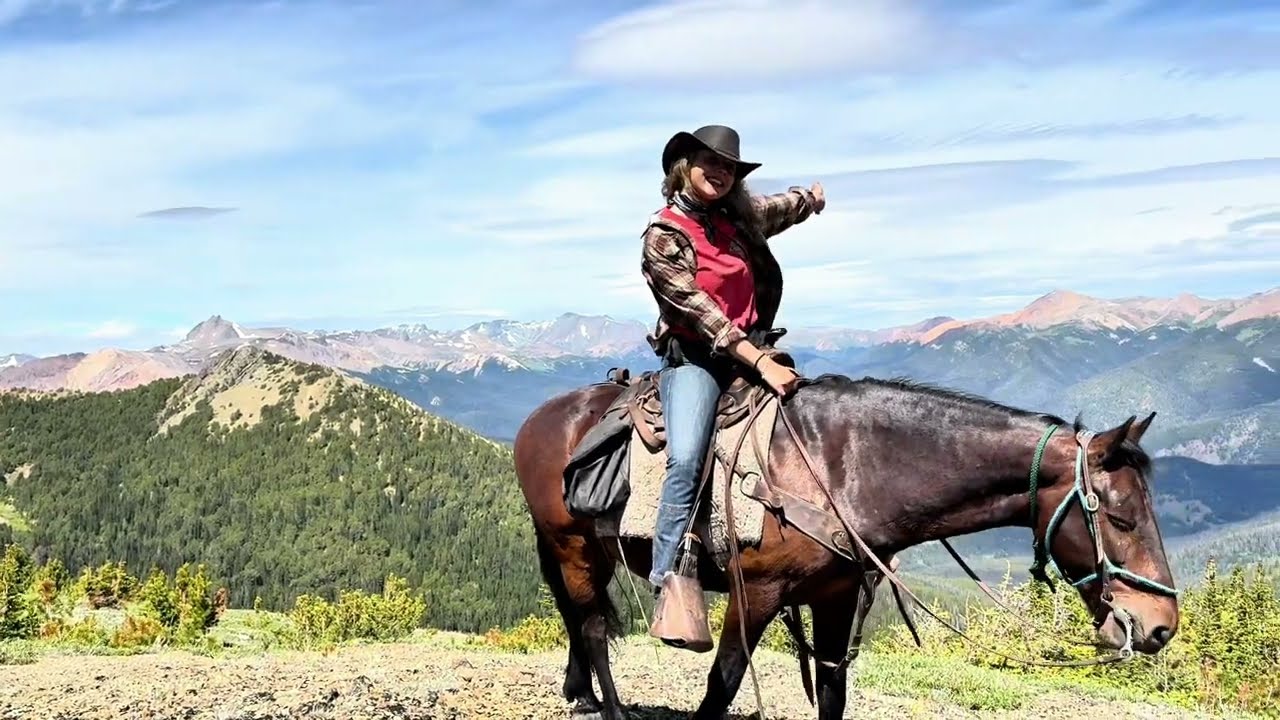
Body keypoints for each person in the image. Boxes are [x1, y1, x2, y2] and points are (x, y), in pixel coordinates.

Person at [639, 124, 825, 646]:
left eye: (731, 169)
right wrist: (760, 364)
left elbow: (777, 210)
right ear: (684, 167)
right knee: (687, 455)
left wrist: (809, 199)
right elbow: (702, 317)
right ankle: (670, 578)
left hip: (754, 350)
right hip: (698, 358)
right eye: (710, 163)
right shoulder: (665, 236)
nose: (720, 174)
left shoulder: (735, 217)